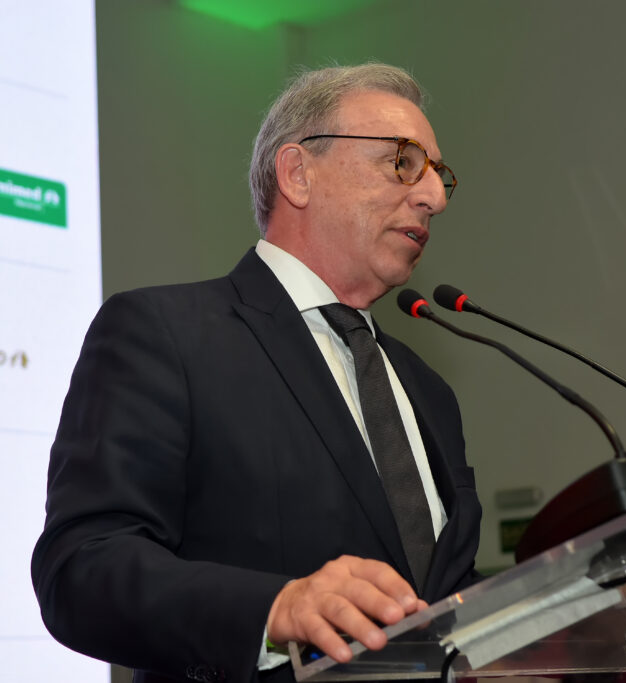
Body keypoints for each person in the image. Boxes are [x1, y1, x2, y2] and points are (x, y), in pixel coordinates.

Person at [31, 63, 482, 683]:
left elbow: (443, 590)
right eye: (403, 162)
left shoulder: (428, 390)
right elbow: (82, 570)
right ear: (297, 173)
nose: (435, 196)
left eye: (438, 174)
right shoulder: (166, 334)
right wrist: (273, 609)